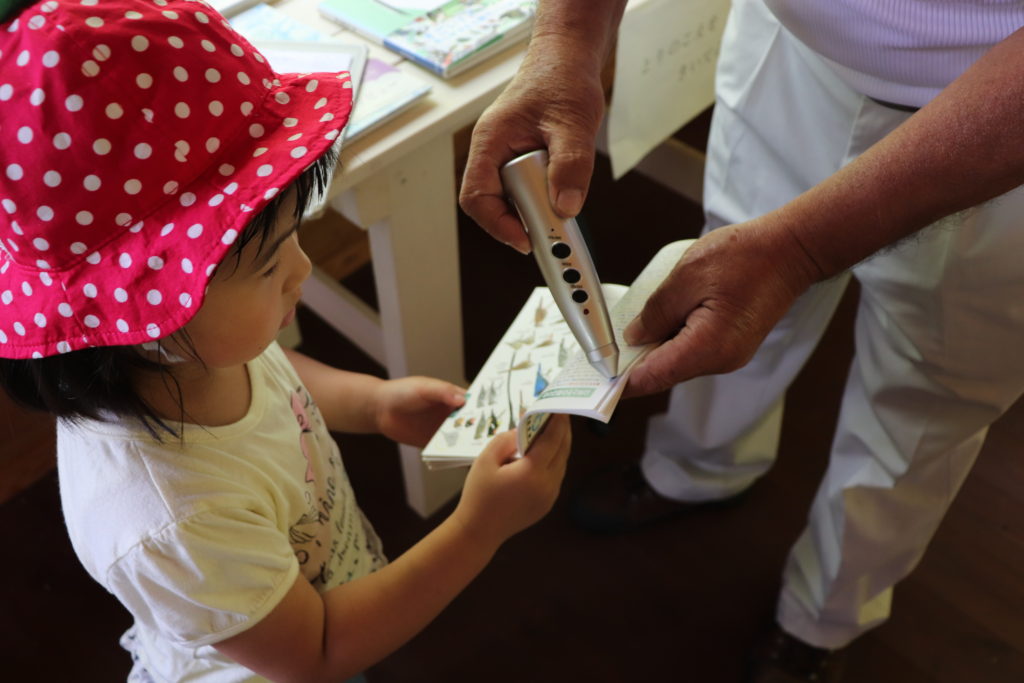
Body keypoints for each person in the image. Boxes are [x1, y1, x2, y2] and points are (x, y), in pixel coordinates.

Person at [0, 1, 571, 681]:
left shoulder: (188, 354)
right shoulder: (163, 516)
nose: (302, 267)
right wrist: (480, 527)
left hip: (316, 587)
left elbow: (271, 372)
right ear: (144, 315)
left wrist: (375, 402)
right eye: (269, 263)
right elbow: (318, 649)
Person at [460, 0, 1024, 681]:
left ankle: (826, 610)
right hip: (791, 49)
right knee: (711, 287)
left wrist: (800, 250)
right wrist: (565, 39)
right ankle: (698, 465)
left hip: (996, 130)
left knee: (929, 388)